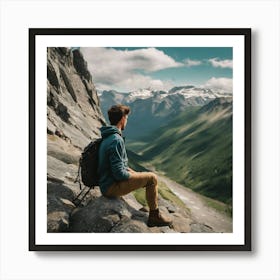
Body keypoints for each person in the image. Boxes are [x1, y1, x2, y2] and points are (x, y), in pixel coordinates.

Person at [98, 104, 172, 227]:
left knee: (143, 175)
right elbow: (118, 173)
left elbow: (118, 165)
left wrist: (134, 174)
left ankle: (153, 213)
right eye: (126, 118)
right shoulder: (116, 140)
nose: (126, 121)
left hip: (106, 183)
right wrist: (134, 176)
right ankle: (154, 216)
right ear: (122, 119)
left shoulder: (109, 136)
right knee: (152, 178)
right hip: (110, 187)